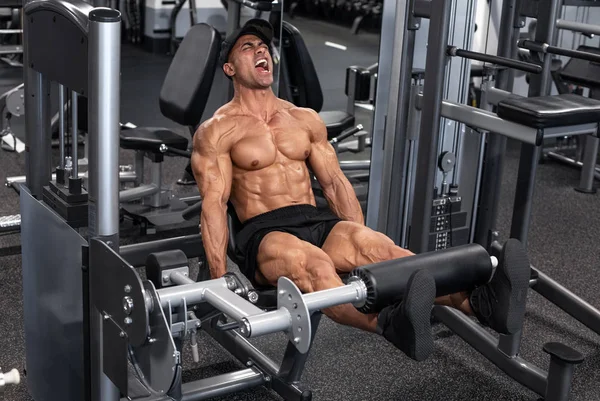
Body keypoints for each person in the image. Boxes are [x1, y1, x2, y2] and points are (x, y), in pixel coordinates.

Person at [190, 19, 530, 362]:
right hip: (266, 232)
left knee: (380, 249)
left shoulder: (304, 118)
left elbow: (335, 183)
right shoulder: (217, 130)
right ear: (229, 68)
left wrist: (361, 246)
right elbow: (214, 206)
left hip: (315, 218)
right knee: (315, 264)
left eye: (263, 46)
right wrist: (220, 284)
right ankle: (388, 323)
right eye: (248, 47)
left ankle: (483, 304)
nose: (261, 49)